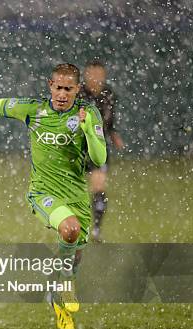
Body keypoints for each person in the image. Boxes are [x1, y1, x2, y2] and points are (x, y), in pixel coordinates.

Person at [0, 63, 107, 329]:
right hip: (43, 192)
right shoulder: (34, 110)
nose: (62, 94)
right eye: (58, 88)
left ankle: (55, 295)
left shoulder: (88, 114)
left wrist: (87, 130)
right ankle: (64, 284)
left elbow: (100, 159)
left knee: (75, 253)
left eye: (68, 89)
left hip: (75, 195)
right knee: (70, 229)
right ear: (50, 86)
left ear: (77, 89)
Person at [80, 60, 124, 242]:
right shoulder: (78, 94)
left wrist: (113, 134)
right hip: (78, 146)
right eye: (92, 74)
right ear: (86, 75)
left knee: (99, 186)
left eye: (99, 75)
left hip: (99, 147)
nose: (96, 78)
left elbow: (109, 120)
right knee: (71, 187)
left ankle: (96, 229)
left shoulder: (109, 94)